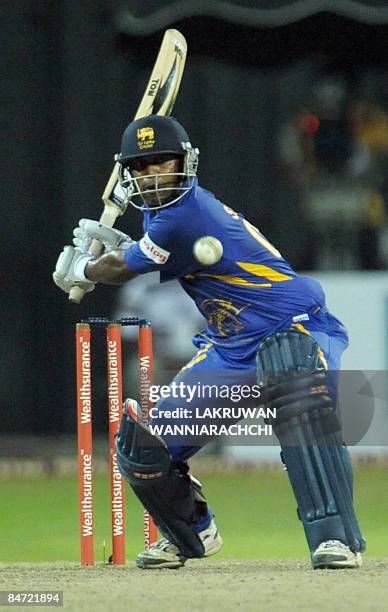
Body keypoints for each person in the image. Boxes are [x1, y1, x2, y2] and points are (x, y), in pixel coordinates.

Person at [53, 115, 365, 570]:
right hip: (233, 347)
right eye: (140, 167)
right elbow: (146, 255)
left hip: (293, 327)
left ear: (186, 163)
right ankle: (190, 531)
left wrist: (84, 268)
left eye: (161, 163)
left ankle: (334, 541)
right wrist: (117, 250)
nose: (151, 175)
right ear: (127, 174)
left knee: (299, 400)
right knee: (144, 449)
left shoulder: (186, 212)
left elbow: (123, 268)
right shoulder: (162, 218)